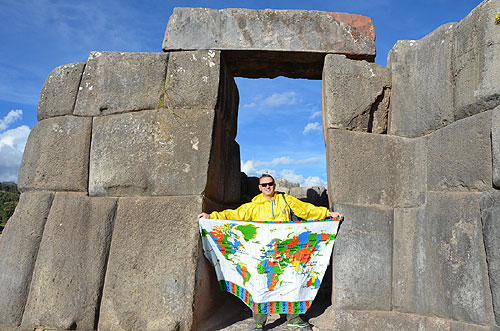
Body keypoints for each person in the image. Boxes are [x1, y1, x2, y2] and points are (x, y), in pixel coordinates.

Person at [198, 174, 344, 330]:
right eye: (264, 185)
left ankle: (294, 319)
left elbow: (307, 210)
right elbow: (234, 215)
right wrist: (211, 216)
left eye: (270, 184)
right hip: (262, 255)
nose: (268, 187)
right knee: (260, 285)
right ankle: (259, 323)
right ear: (260, 188)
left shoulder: (285, 200)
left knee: (292, 281)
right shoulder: (253, 206)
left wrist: (328, 214)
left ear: (274, 185)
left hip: (286, 251)